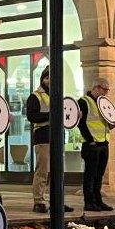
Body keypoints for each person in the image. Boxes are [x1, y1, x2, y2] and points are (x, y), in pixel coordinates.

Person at [25, 66, 70, 214]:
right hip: (43, 136)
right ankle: (39, 201)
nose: (50, 81)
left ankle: (57, 201)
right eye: (47, 78)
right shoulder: (35, 96)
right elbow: (31, 116)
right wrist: (51, 115)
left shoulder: (57, 95)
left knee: (58, 171)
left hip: (57, 136)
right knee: (43, 170)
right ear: (43, 79)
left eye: (52, 78)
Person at [78, 78, 115, 212]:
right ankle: (89, 202)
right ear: (97, 88)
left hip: (103, 142)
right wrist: (90, 140)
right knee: (90, 175)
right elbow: (81, 123)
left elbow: (104, 122)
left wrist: (112, 123)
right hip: (91, 144)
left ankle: (98, 200)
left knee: (99, 175)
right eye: (105, 89)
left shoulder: (103, 103)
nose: (106, 93)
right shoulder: (84, 101)